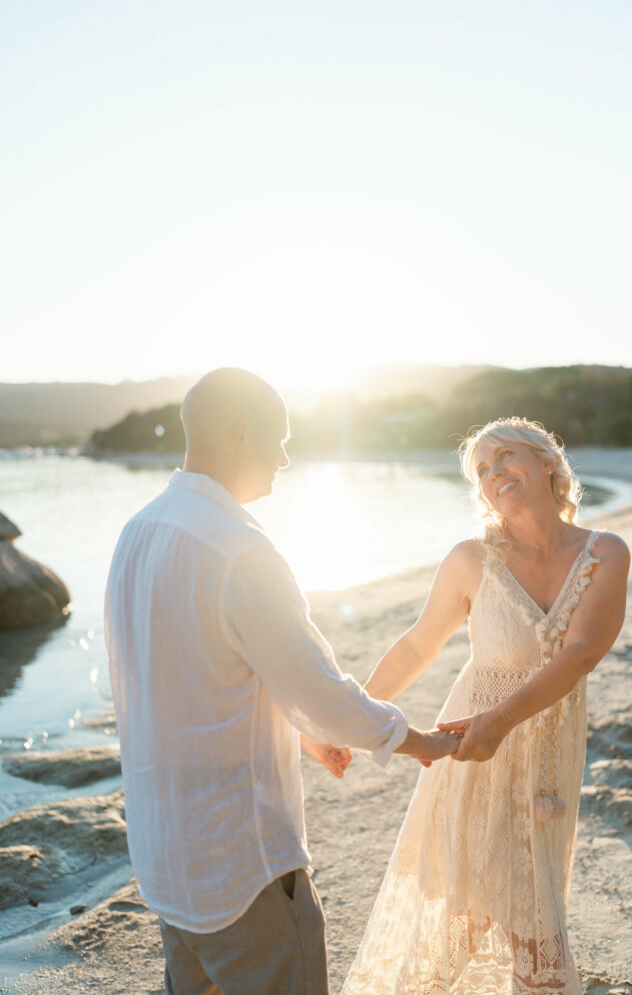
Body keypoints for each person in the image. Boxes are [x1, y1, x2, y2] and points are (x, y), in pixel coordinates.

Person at [104, 367, 462, 995]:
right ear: (241, 432)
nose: (287, 458)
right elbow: (320, 692)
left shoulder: (135, 534)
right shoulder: (240, 550)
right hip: (242, 868)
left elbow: (185, 678)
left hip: (165, 860)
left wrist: (301, 734)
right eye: (279, 439)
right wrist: (417, 741)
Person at [342, 417, 630, 995]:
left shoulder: (605, 553)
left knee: (528, 900)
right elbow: (419, 644)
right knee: (469, 904)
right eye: (482, 470)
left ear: (547, 461)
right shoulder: (471, 559)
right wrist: (351, 716)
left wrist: (500, 721)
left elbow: (579, 656)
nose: (495, 474)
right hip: (470, 749)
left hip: (541, 749)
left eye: (505, 458)